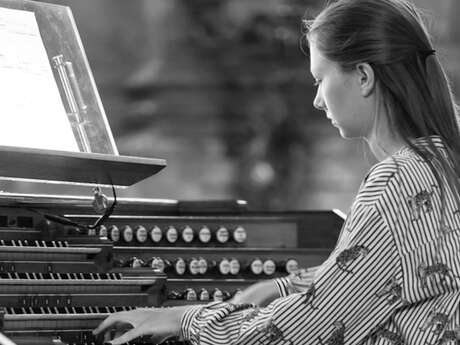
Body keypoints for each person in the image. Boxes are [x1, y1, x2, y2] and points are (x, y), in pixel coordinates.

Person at [93, 0, 460, 343]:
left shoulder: (395, 182)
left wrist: (184, 319)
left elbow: (299, 330)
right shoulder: (441, 165)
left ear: (363, 76)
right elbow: (389, 273)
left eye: (320, 78)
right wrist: (285, 286)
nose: (317, 99)